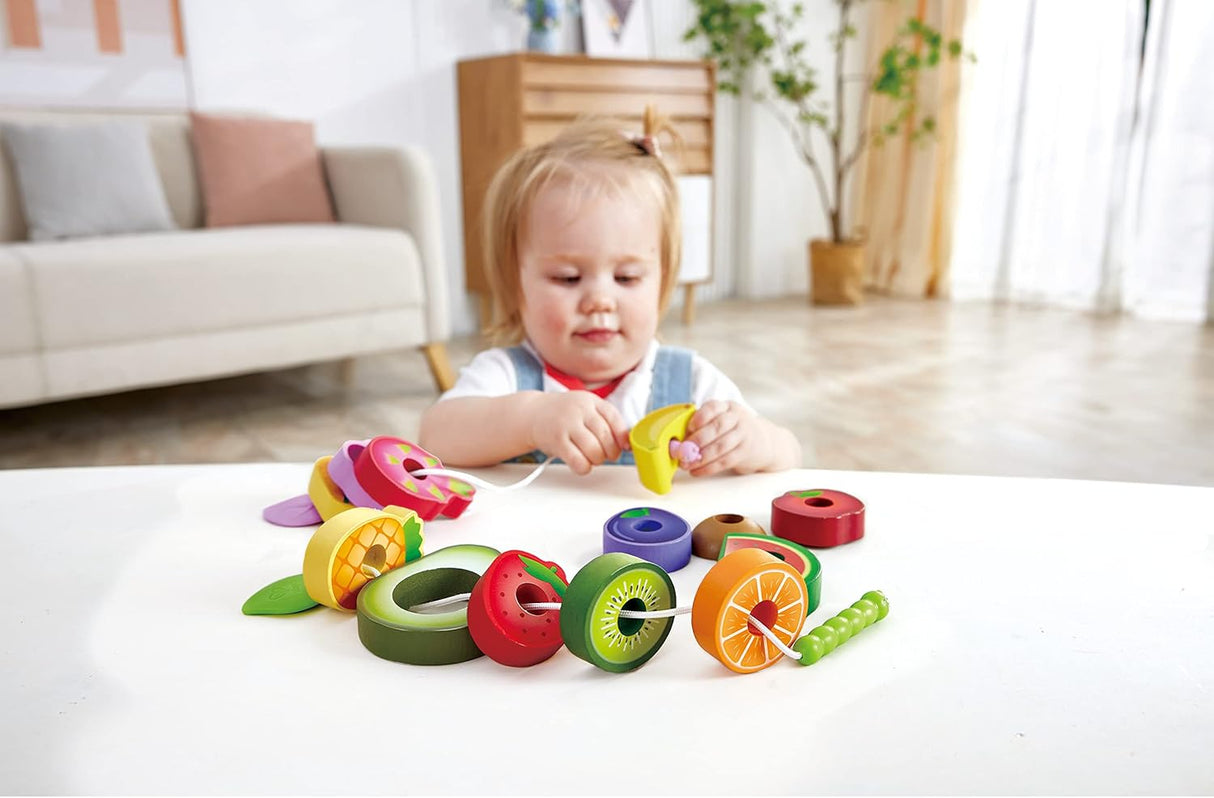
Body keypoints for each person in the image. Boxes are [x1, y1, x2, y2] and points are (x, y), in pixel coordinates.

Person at [419, 110, 801, 477]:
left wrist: (752, 440)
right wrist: (533, 419)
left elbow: (789, 453)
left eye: (627, 277)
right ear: (516, 283)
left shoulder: (691, 382)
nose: (599, 300)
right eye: (568, 278)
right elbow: (435, 437)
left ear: (662, 283)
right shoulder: (506, 375)